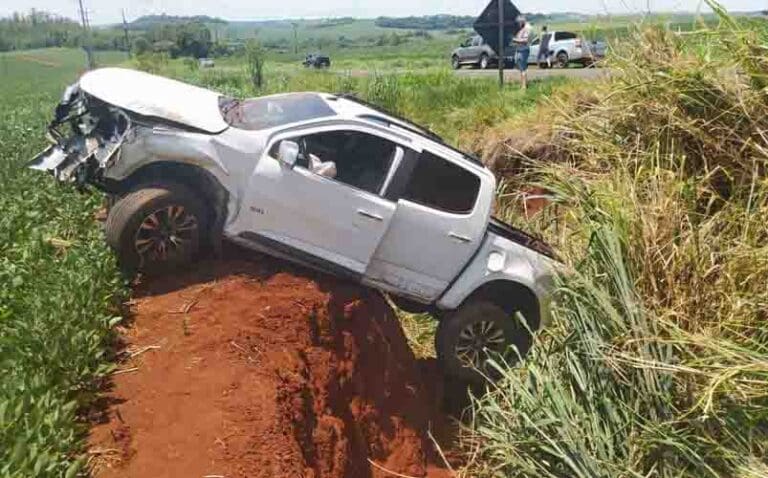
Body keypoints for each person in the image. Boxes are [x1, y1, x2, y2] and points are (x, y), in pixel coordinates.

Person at [512, 15, 532, 89]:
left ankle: (524, 86)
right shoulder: (523, 28)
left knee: (523, 68)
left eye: (519, 23)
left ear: (522, 22)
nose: (518, 24)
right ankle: (523, 84)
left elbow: (525, 40)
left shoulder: (527, 29)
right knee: (521, 67)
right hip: (520, 50)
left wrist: (514, 40)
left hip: (523, 50)